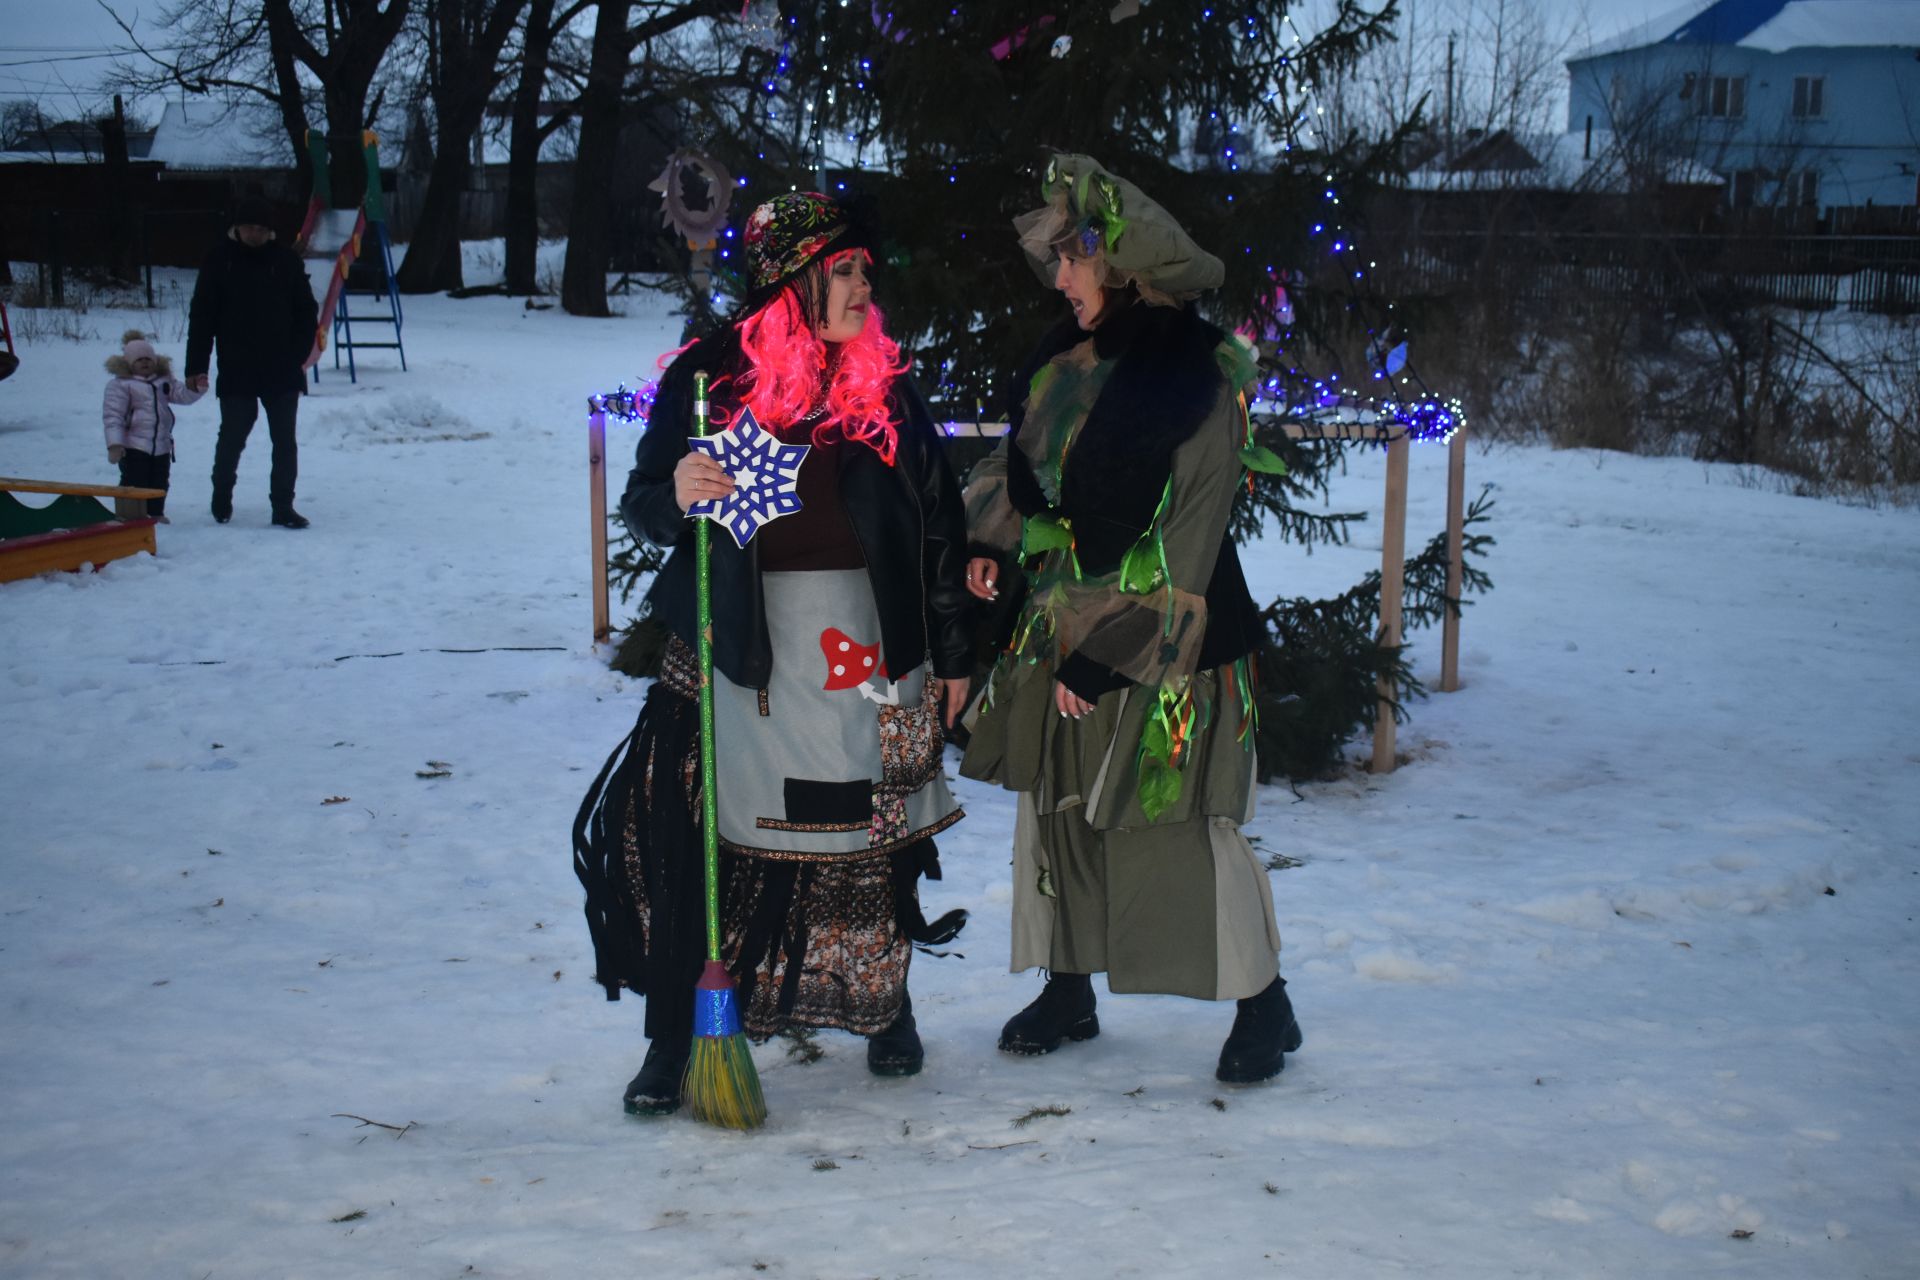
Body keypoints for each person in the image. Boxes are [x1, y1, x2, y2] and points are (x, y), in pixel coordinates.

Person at [574, 192, 974, 1116]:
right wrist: (676, 489)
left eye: (865, 271)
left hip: (867, 645)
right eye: (843, 270)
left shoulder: (885, 381)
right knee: (699, 838)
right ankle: (679, 1034)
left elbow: (941, 528)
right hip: (739, 642)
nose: (863, 286)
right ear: (791, 280)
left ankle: (885, 1007)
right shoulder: (711, 379)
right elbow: (641, 505)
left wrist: (955, 653)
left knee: (871, 836)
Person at [958, 154, 1302, 1085]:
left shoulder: (1195, 381)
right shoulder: (1064, 361)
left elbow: (1190, 549)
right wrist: (989, 544)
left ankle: (1263, 1001)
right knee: (1059, 809)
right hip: (1059, 622)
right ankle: (1068, 985)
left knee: (1180, 823)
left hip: (1170, 643)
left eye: (1072, 258)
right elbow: (1009, 467)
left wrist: (1107, 659)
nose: (1057, 276)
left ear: (1121, 265)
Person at [185, 195, 319, 529]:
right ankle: (221, 495)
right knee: (232, 435)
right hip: (237, 366)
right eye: (249, 228)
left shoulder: (286, 261)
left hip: (282, 368)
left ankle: (283, 506)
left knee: (284, 441)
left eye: (261, 229)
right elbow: (202, 316)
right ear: (237, 228)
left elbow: (306, 312)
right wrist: (196, 366)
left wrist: (298, 355)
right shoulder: (219, 260)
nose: (254, 235)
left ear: (270, 231)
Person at [103, 329, 204, 522]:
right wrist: (115, 444)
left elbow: (181, 395)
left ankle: (156, 513)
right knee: (135, 481)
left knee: (160, 481)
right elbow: (113, 416)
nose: (145, 363)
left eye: (148, 359)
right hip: (134, 446)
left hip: (161, 444)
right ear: (129, 363)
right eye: (139, 360)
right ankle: (130, 514)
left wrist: (196, 389)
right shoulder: (121, 385)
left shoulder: (163, 381)